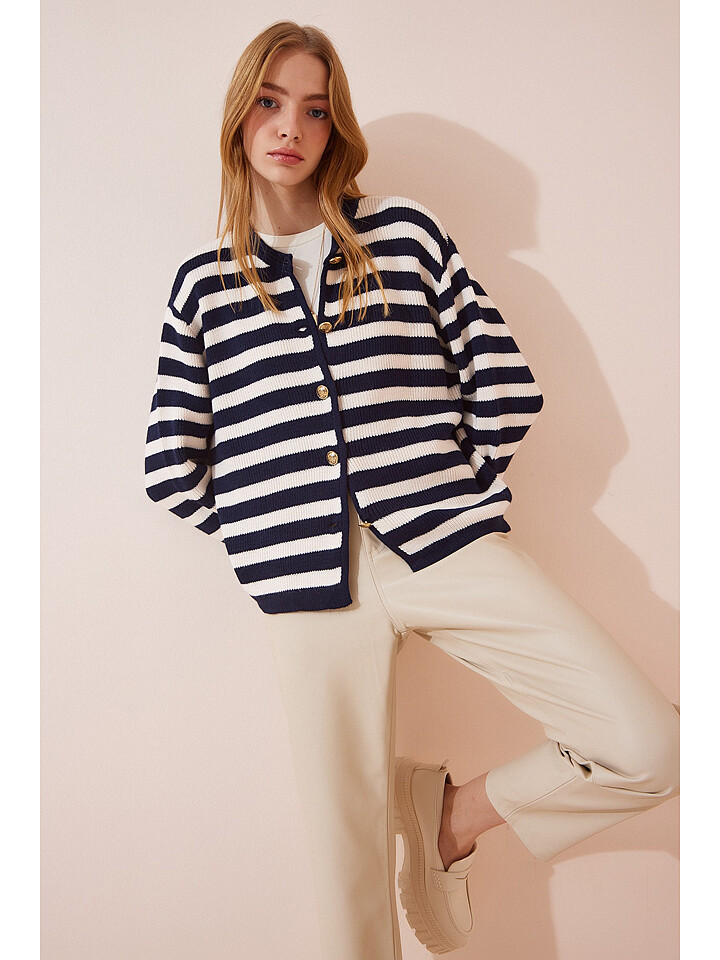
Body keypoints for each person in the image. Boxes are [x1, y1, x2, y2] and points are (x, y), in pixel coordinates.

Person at [144, 19, 680, 960]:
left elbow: (503, 386)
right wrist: (272, 534)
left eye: (315, 109)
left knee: (649, 743)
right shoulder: (206, 285)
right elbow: (169, 463)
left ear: (336, 127)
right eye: (269, 102)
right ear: (238, 117)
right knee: (343, 879)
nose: (290, 126)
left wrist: (444, 493)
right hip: (310, 592)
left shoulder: (403, 235)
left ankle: (452, 818)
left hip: (446, 547)